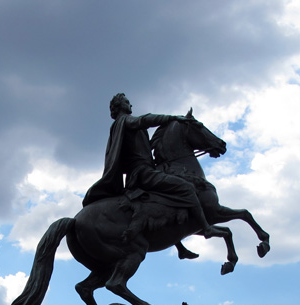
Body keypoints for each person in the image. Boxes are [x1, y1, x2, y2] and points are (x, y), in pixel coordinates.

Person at [84, 93, 213, 241]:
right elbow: (144, 120)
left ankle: (179, 244)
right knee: (187, 188)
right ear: (120, 106)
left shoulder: (120, 127)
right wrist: (172, 118)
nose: (130, 105)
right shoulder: (125, 120)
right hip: (144, 173)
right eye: (127, 102)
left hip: (140, 173)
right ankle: (206, 227)